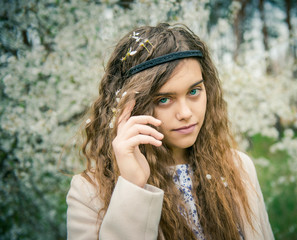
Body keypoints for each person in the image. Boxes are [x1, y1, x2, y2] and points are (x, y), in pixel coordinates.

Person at [66, 23, 274, 240]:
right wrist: (132, 186)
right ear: (132, 106)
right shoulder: (89, 193)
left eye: (194, 91)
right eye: (163, 99)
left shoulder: (238, 168)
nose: (185, 113)